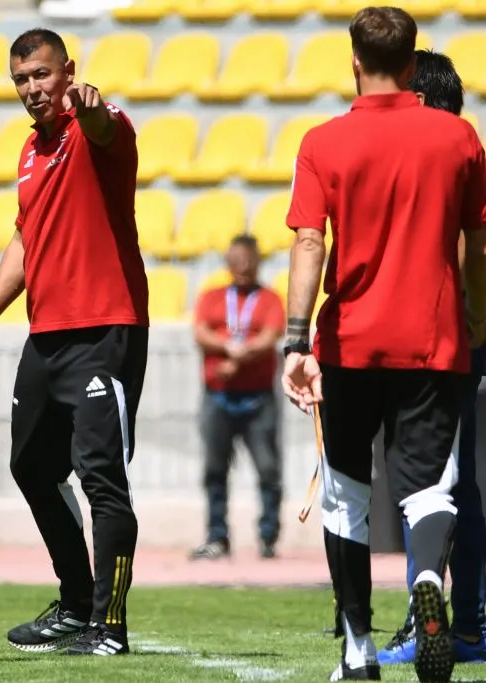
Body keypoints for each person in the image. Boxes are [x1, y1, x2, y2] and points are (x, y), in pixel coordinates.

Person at [281, 7, 486, 682]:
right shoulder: (458, 139)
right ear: (411, 61)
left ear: (354, 62)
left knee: (345, 492)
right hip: (435, 337)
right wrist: (477, 316)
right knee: (428, 488)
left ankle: (358, 649)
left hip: (351, 341)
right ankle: (428, 575)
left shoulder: (324, 141)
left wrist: (293, 338)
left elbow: (310, 241)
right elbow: (477, 242)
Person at [0, 28, 149, 657]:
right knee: (32, 467)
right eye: (21, 79)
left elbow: (103, 127)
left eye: (42, 75)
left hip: (106, 330)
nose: (32, 89)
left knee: (101, 479)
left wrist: (89, 107)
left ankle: (110, 625)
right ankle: (74, 603)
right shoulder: (29, 152)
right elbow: (26, 237)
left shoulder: (99, 122)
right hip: (47, 335)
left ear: (67, 71)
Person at [377, 48, 486, 667]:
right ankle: (465, 621)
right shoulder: (462, 149)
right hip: (457, 331)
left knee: (430, 485)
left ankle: (440, 623)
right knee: (456, 486)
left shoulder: (442, 153)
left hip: (436, 337)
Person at [190, 234, 285, 562]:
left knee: (268, 470)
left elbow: (271, 335)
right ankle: (217, 536)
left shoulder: (270, 299)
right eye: (236, 260)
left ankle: (269, 536)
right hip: (218, 395)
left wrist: (239, 357)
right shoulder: (212, 296)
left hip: (259, 399)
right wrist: (228, 348)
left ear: (257, 261)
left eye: (247, 260)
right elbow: (200, 331)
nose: (242, 267)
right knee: (215, 470)